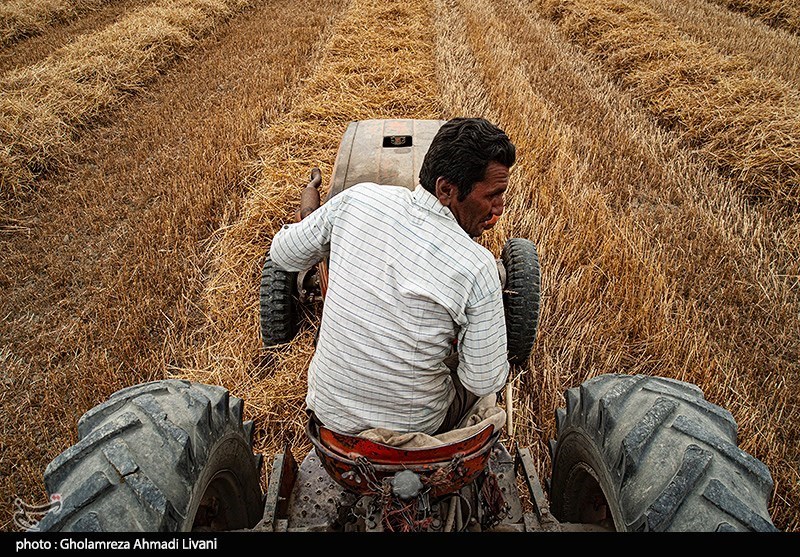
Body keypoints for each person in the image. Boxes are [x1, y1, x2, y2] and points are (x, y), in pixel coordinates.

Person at [269, 117, 516, 435]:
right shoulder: (479, 266)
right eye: (493, 195)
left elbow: (283, 253)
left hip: (329, 418)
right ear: (446, 189)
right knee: (485, 389)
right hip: (413, 432)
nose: (499, 208)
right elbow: (483, 379)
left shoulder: (355, 201)